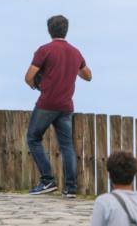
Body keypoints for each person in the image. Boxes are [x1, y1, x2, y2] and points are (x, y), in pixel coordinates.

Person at [24, 15, 92, 197]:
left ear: (49, 30)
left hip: (47, 103)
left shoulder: (44, 50)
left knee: (32, 138)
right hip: (66, 106)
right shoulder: (75, 52)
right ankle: (70, 188)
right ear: (66, 29)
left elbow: (28, 76)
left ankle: (47, 180)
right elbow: (88, 75)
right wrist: (71, 69)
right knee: (66, 146)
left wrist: (36, 85)